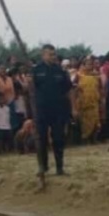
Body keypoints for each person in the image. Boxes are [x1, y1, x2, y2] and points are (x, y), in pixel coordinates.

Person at [32, 44, 74, 177]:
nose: (53, 57)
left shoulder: (60, 71)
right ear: (43, 55)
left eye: (54, 54)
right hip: (41, 110)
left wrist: (73, 108)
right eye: (50, 54)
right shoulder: (36, 70)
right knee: (41, 139)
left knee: (58, 139)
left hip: (58, 110)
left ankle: (59, 168)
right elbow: (30, 91)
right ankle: (43, 167)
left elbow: (69, 89)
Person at [74, 57, 103, 144]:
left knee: (95, 122)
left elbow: (100, 88)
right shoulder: (79, 75)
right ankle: (84, 139)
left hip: (94, 102)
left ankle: (94, 139)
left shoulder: (96, 75)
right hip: (83, 103)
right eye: (88, 64)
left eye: (91, 64)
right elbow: (74, 88)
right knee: (85, 123)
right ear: (84, 65)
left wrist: (101, 99)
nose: (90, 66)